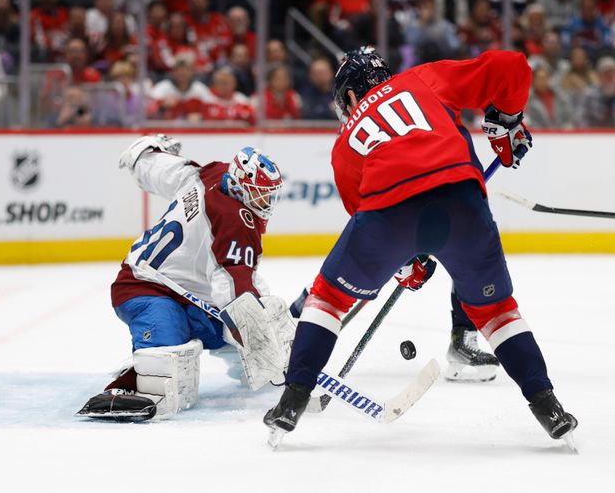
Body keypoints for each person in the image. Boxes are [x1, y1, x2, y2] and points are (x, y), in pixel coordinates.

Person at [265, 48, 578, 446]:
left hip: (388, 214)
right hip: (462, 203)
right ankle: (548, 407)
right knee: (497, 311)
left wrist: (407, 264)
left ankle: (291, 402)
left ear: (349, 97)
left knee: (327, 300)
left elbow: (364, 218)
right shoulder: (423, 79)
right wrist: (506, 119)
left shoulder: (344, 145)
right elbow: (512, 66)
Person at [79, 136, 292, 420]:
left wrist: (144, 157)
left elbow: (171, 171)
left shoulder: (213, 174)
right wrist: (260, 339)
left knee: (229, 332)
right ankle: (130, 384)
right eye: (259, 193)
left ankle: (256, 360)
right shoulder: (237, 222)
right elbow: (235, 291)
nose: (264, 202)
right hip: (145, 285)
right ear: (241, 185)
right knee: (172, 351)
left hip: (188, 291)